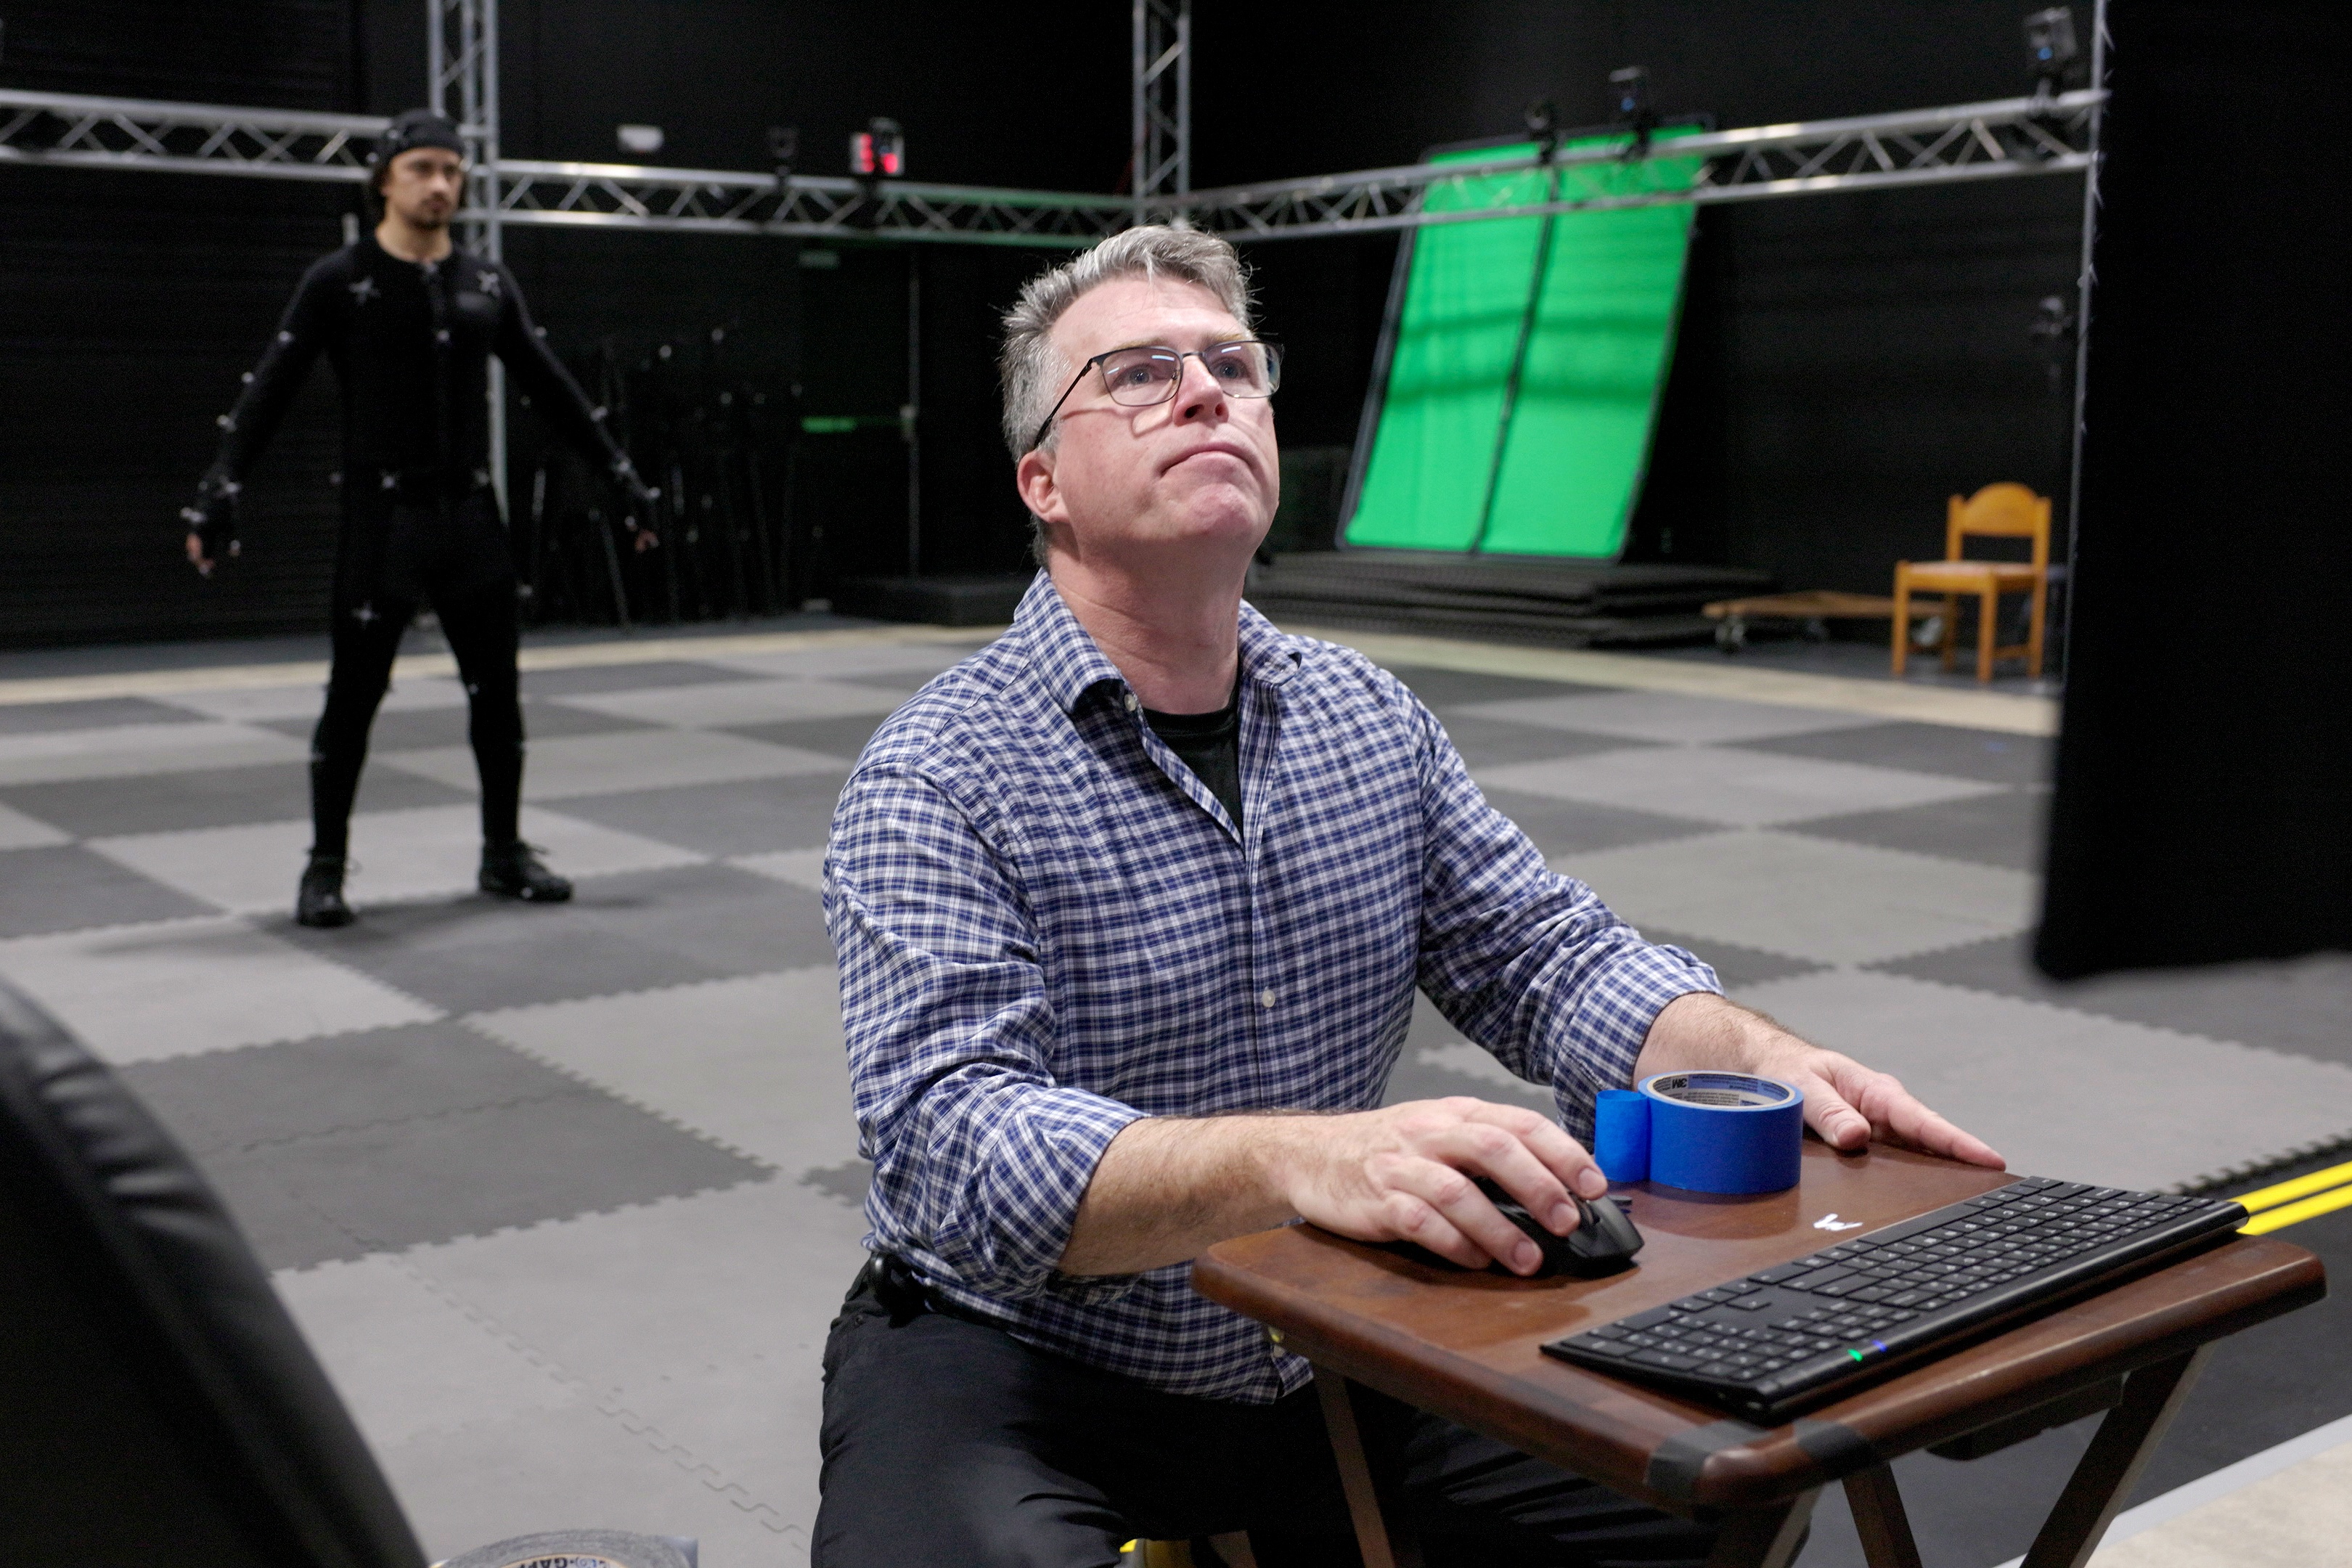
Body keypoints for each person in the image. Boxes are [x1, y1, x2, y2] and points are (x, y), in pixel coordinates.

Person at [815, 226, 2005, 1567]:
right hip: (1027, 1363)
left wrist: (1772, 1065)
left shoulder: (1364, 721)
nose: (1207, 391)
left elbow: (1546, 961)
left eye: (1231, 364)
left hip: (1336, 1342)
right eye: (1141, 374)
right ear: (1045, 480)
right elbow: (954, 1146)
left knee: (1710, 1501)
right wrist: (1298, 1158)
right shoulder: (939, 771)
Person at [182, 109, 660, 928]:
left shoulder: (485, 283)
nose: (440, 184)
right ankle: (325, 866)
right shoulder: (339, 278)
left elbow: (551, 388)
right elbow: (271, 388)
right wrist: (219, 489)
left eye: (451, 170)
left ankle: (503, 852)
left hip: (472, 516)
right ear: (384, 181)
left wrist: (621, 478)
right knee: (354, 697)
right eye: (422, 170)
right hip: (383, 518)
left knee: (498, 695)